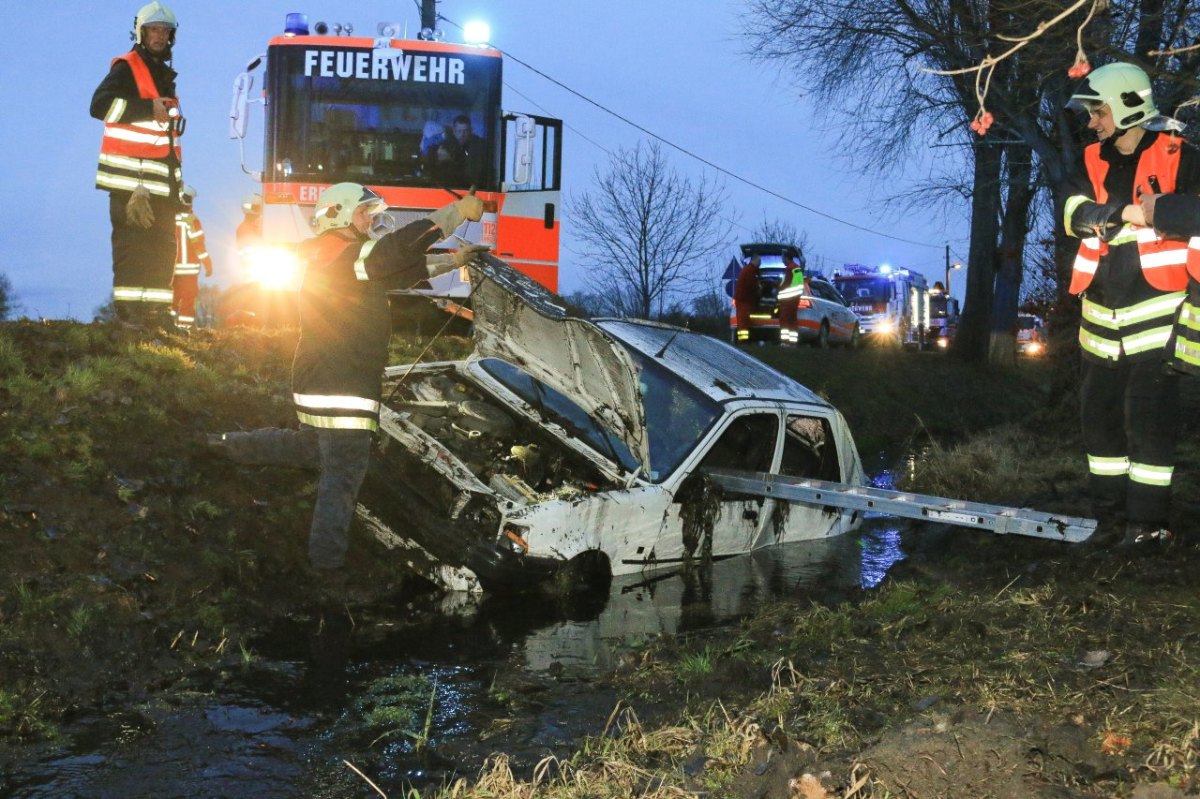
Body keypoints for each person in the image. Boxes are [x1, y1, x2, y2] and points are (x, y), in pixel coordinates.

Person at [206, 183, 486, 584]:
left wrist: (453, 259)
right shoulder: (340, 252)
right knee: (343, 477)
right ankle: (327, 573)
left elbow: (397, 269)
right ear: (336, 213)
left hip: (320, 379)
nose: (370, 221)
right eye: (363, 213)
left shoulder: (336, 256)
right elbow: (394, 251)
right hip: (344, 384)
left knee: (309, 448)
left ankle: (224, 446)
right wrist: (454, 214)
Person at [1062, 61, 1200, 551]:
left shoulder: (1181, 156)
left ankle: (1148, 528)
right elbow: (1073, 213)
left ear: (1127, 106)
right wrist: (1122, 213)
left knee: (1148, 426)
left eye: (1097, 110)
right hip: (1100, 316)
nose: (1092, 120)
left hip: (1159, 315)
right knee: (1097, 422)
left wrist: (1160, 213)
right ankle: (1111, 523)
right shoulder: (1091, 159)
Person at [90, 2, 184, 327]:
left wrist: (177, 187)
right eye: (154, 29)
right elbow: (99, 106)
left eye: (165, 30)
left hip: (160, 184)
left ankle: (156, 313)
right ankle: (130, 315)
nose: (160, 35)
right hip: (130, 183)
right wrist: (147, 109)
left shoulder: (164, 74)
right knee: (132, 246)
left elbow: (167, 140)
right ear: (141, 32)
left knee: (162, 247)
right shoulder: (127, 67)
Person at [171, 185, 212, 330]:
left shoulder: (168, 218)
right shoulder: (192, 220)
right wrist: (208, 263)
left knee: (172, 300)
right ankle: (184, 329)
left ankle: (167, 328)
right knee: (188, 299)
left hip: (171, 270)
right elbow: (198, 245)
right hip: (189, 270)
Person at [777, 252, 807, 345]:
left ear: (787, 258)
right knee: (792, 320)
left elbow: (785, 284)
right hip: (795, 299)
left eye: (783, 259)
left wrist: (777, 291)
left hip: (787, 300)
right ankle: (792, 342)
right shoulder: (797, 268)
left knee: (785, 320)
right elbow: (798, 284)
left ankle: (785, 342)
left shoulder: (789, 269)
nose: (782, 261)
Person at [733, 254, 762, 344]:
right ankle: (743, 341)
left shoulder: (749, 270)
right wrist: (759, 289)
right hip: (744, 300)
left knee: (744, 321)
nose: (760, 263)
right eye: (759, 261)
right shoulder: (750, 270)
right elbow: (752, 285)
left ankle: (744, 340)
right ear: (755, 260)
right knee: (743, 321)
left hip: (744, 300)